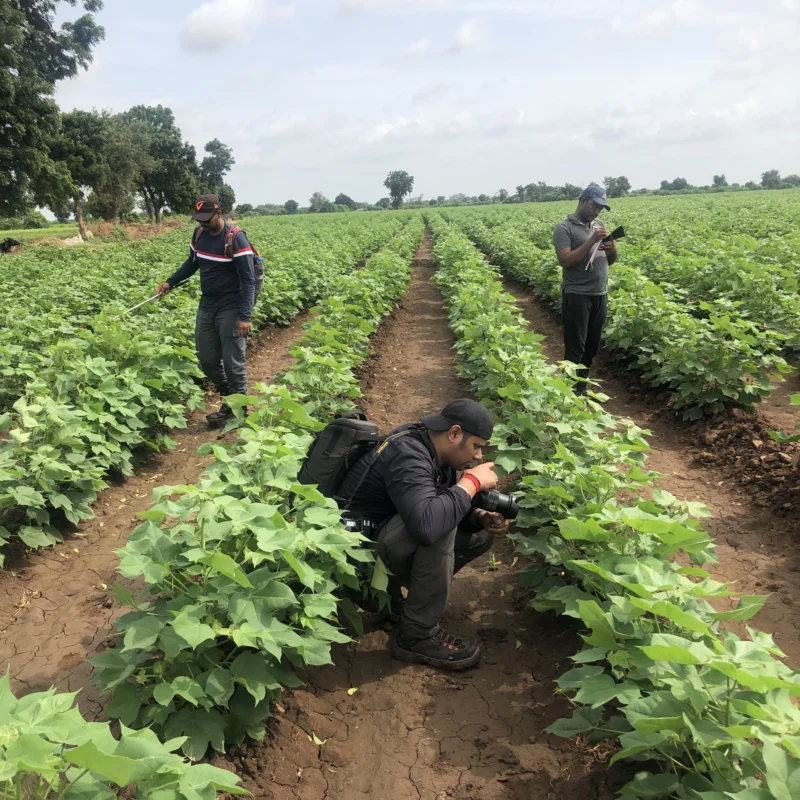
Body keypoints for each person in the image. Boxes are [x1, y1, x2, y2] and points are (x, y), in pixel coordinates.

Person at [337, 399, 508, 671]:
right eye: (476, 446)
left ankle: (394, 604)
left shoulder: (436, 453)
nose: (478, 456)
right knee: (437, 525)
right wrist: (471, 482)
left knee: (477, 535)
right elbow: (428, 524)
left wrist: (478, 517)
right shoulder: (409, 454)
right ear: (454, 434)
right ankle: (416, 635)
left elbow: (437, 503)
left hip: (376, 546)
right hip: (354, 564)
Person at [157, 194, 255, 427]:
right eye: (199, 219)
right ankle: (229, 400)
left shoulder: (235, 238)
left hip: (231, 306)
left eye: (207, 219)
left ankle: (239, 411)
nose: (202, 223)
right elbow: (192, 262)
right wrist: (171, 282)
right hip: (207, 304)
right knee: (207, 358)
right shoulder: (199, 234)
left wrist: (245, 316)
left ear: (219, 213)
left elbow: (248, 280)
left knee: (233, 361)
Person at [552, 185, 618, 394]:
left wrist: (612, 248)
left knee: (591, 347)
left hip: (599, 294)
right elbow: (565, 260)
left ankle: (580, 387)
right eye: (594, 206)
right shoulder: (564, 228)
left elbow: (612, 261)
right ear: (582, 201)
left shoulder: (599, 225)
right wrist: (592, 240)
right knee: (575, 348)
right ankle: (569, 394)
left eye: (601, 208)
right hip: (577, 296)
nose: (597, 211)